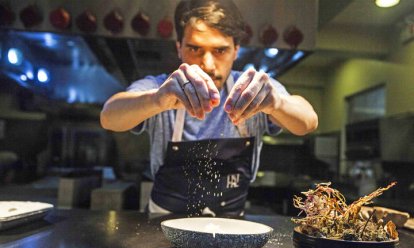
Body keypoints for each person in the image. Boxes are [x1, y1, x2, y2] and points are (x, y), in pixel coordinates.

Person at [100, 0, 318, 216]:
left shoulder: (253, 90)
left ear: (235, 51)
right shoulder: (161, 87)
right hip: (163, 223)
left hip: (232, 227)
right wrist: (156, 100)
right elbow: (109, 117)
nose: (208, 64)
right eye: (195, 48)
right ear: (179, 48)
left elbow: (308, 122)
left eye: (220, 50)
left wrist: (277, 103)